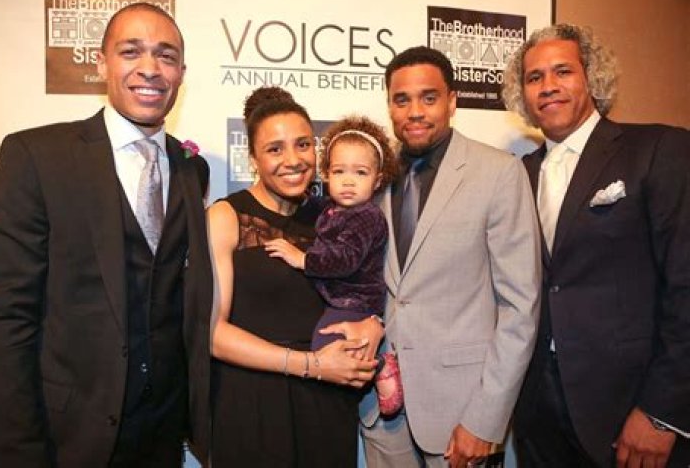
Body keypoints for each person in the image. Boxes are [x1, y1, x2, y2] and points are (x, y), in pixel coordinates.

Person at [0, 3, 214, 467]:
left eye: (166, 56)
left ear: (181, 73)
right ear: (101, 63)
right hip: (68, 437)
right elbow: (5, 321)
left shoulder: (191, 170)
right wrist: (16, 454)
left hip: (163, 437)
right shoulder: (36, 157)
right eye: (131, 51)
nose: (150, 68)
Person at [502, 23, 690, 468]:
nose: (548, 86)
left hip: (630, 411)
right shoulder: (516, 175)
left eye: (563, 71)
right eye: (534, 77)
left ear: (591, 78)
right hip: (536, 412)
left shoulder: (659, 149)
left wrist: (662, 412)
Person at [360, 45, 541, 468]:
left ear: (453, 101)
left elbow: (520, 307)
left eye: (429, 97)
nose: (415, 112)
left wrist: (486, 419)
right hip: (382, 410)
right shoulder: (373, 175)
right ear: (389, 106)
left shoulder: (498, 172)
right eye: (401, 100)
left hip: (462, 412)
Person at [207, 87, 380, 467]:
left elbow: (369, 285)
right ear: (253, 158)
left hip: (326, 401)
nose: (293, 160)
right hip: (252, 402)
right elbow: (213, 334)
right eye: (275, 149)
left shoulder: (335, 216)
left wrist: (374, 323)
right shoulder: (227, 216)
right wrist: (311, 365)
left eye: (303, 145)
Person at [264, 115, 403, 415]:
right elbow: (307, 204)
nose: (348, 181)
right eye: (339, 171)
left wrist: (302, 259)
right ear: (326, 175)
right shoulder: (332, 208)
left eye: (360, 172)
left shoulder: (367, 216)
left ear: (378, 179)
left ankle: (380, 365)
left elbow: (344, 260)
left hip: (356, 302)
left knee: (325, 345)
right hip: (337, 300)